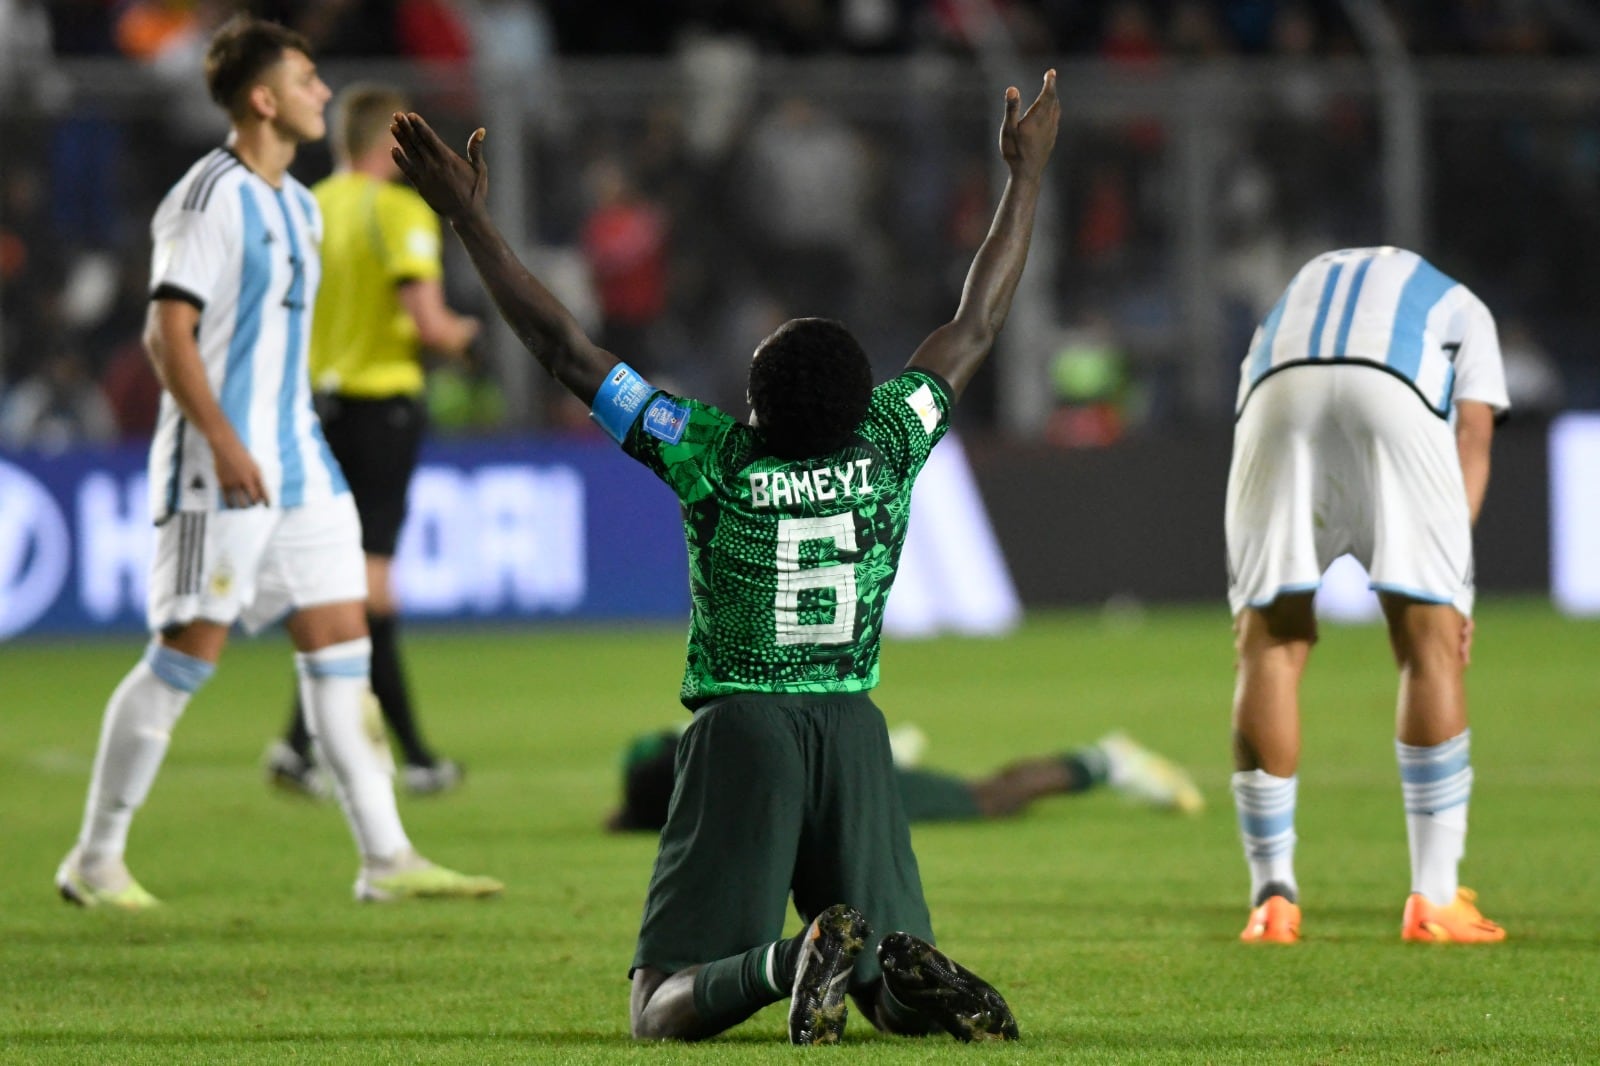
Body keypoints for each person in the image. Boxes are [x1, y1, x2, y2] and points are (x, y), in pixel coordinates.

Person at [391, 70, 1059, 1044]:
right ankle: (901, 972)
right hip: (855, 733)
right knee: (880, 994)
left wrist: (468, 223)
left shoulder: (713, 454)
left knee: (658, 1005)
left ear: (756, 408)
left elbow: (564, 349)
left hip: (746, 728)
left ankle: (794, 957)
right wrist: (1026, 178)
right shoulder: (891, 437)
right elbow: (975, 325)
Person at [54, 16, 501, 910]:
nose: (322, 94)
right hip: (218, 463)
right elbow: (164, 330)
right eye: (305, 79)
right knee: (186, 653)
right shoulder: (207, 196)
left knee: (342, 643)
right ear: (262, 98)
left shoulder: (299, 203)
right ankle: (94, 859)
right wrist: (221, 440)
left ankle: (386, 857)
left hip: (301, 460)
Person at [1226, 246, 1509, 945]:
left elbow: (1248, 399)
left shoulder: (1291, 293)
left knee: (1271, 644)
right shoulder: (1462, 304)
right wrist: (1452, 581)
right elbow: (1472, 434)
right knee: (1426, 647)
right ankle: (1435, 900)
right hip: (1396, 391)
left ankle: (1272, 901)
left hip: (1276, 394)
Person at [263, 82, 479, 800]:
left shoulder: (309, 207)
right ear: (393, 145)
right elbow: (427, 322)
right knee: (372, 585)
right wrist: (467, 335)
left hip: (316, 407)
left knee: (339, 582)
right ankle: (415, 756)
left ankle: (298, 746)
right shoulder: (394, 210)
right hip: (380, 405)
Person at [606, 727, 1203, 833]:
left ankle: (1106, 761)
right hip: (824, 764)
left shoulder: (699, 803)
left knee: (988, 800)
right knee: (985, 790)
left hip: (840, 783)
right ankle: (1100, 759)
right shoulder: (702, 758)